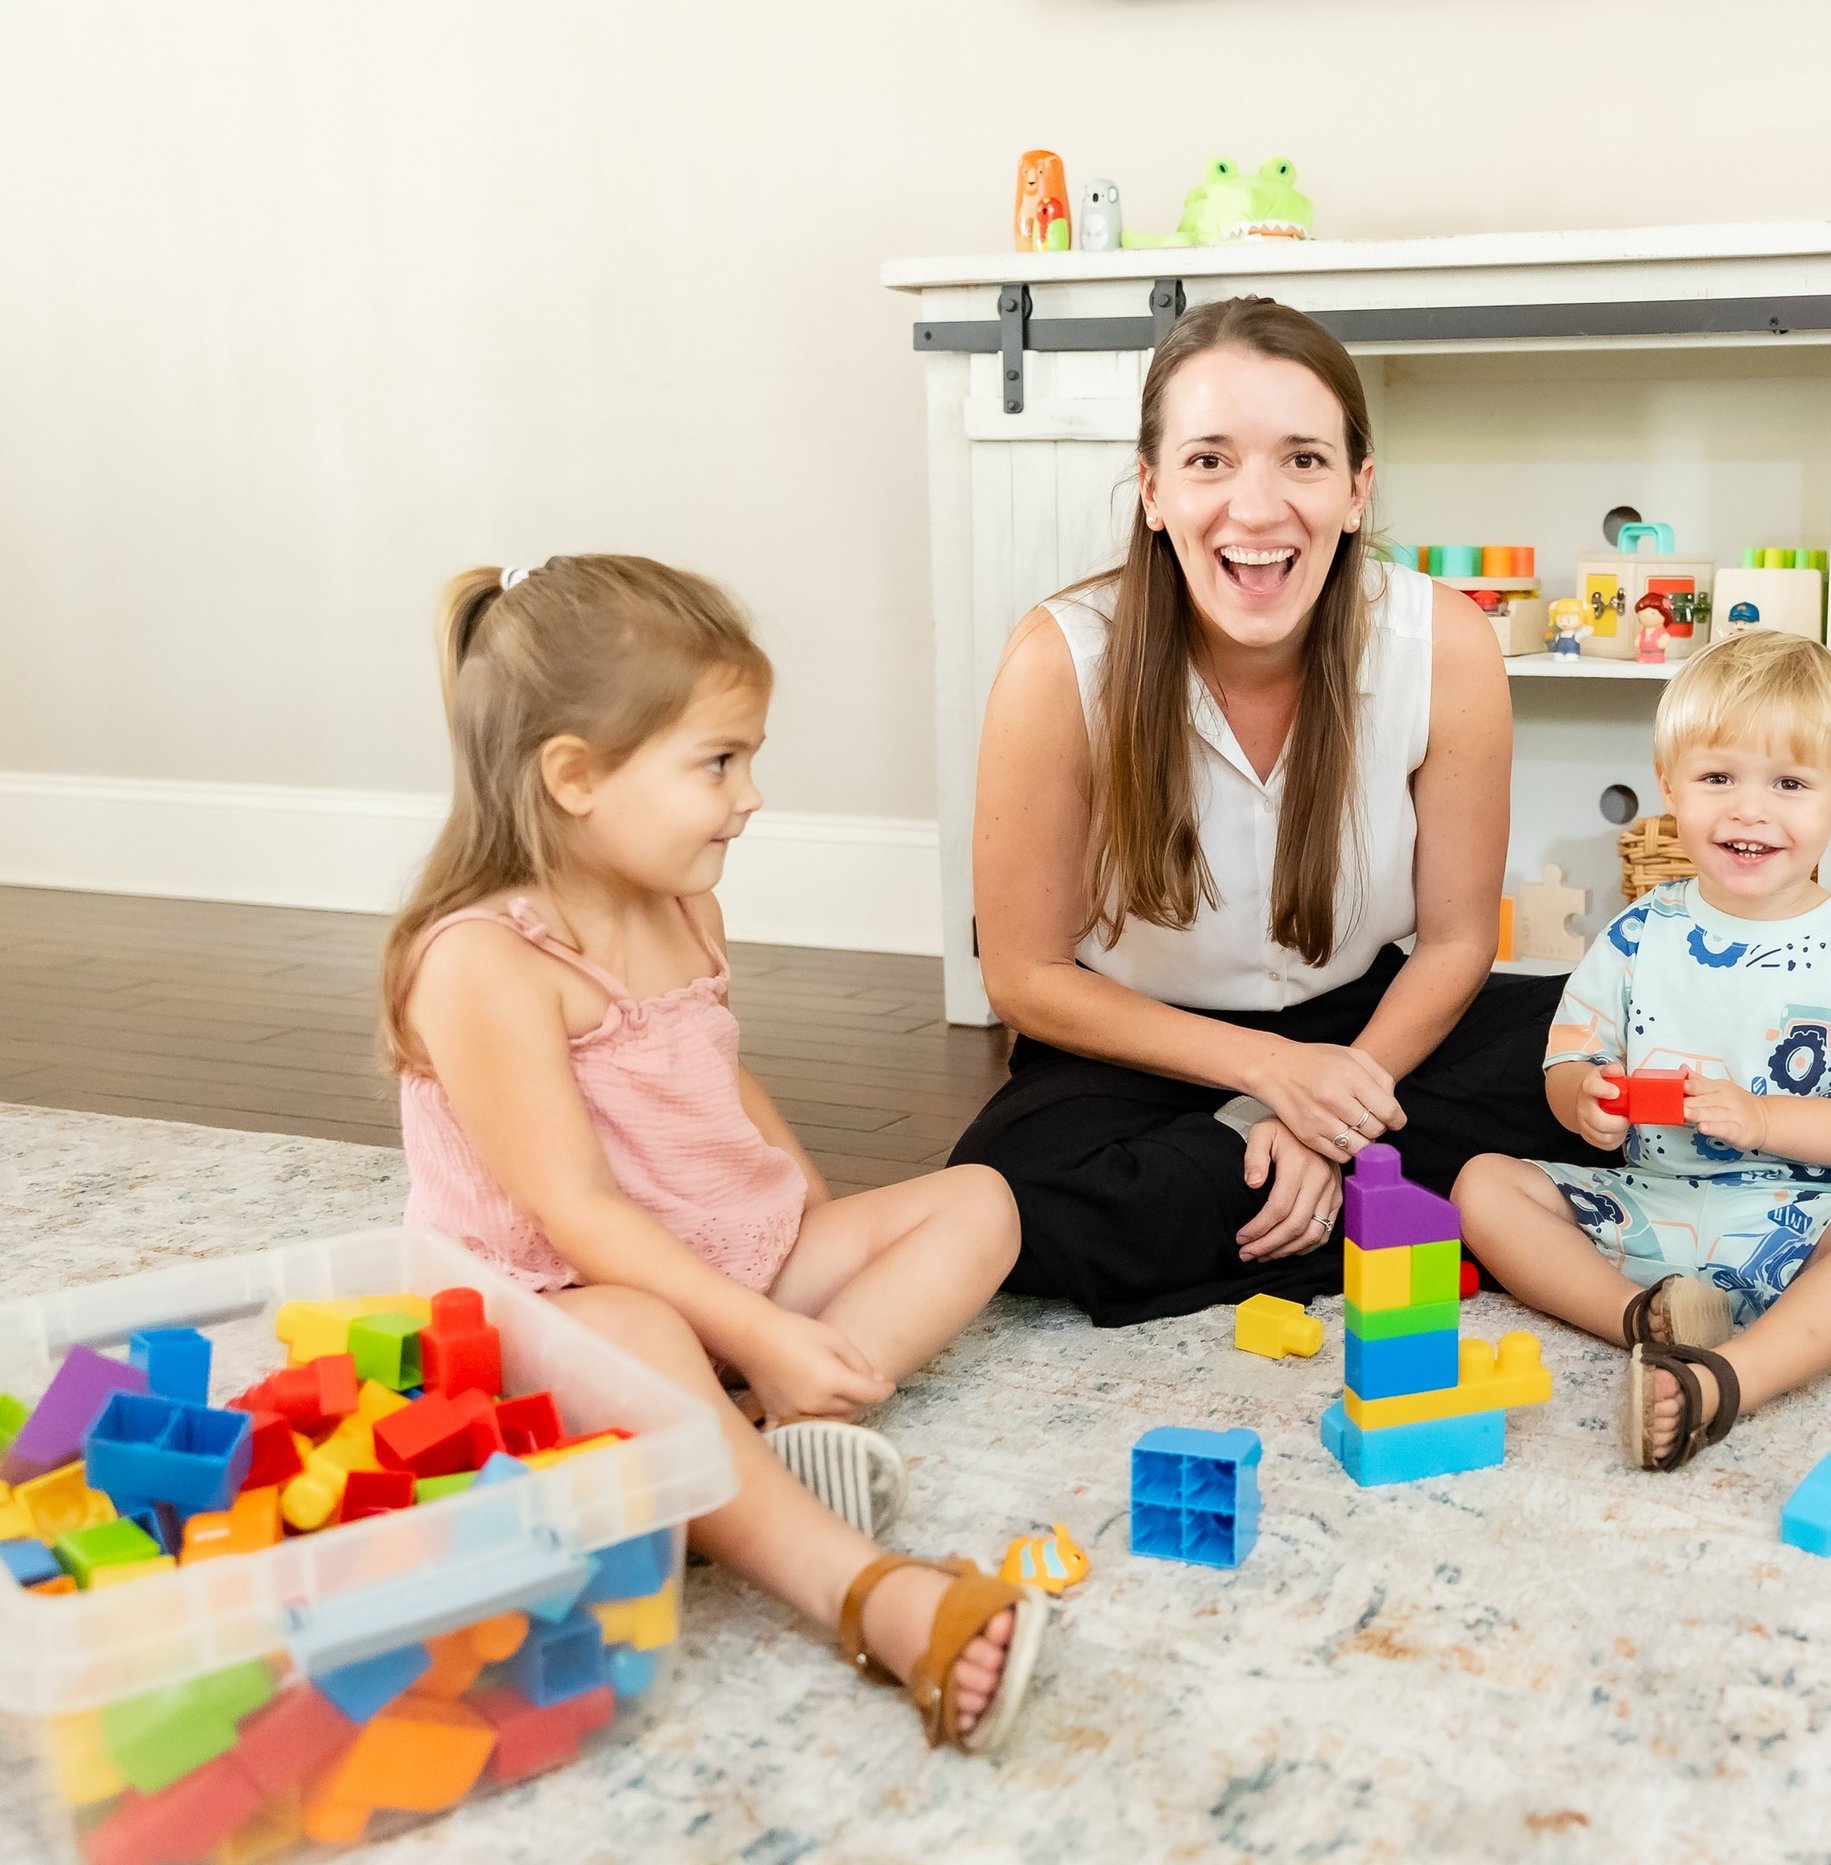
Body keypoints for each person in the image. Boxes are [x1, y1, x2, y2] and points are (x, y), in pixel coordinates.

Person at [384, 555, 1046, 1753]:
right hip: (546, 1309)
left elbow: (717, 1069)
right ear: (575, 775)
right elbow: (578, 1213)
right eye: (718, 761)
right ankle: (869, 1588)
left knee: (982, 1203)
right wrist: (759, 1325)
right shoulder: (482, 960)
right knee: (642, 1332)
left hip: (705, 1272)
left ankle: (752, 1434)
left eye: (748, 757)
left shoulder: (685, 901)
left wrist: (810, 1223)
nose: (749, 797)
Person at [953, 297, 1607, 1326]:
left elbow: (1455, 940)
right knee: (1009, 1194)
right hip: (1143, 1048)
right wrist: (1269, 1077)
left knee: (1617, 1051)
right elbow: (1026, 978)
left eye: (1301, 459)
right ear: (1153, 490)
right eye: (1209, 459)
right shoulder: (1058, 660)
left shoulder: (1446, 643)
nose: (1255, 510)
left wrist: (1320, 1116)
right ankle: (1408, 1204)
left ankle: (1278, 1190)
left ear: (1356, 490)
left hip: (1375, 1031)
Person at [1455, 632, 1831, 1470]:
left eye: (1790, 783)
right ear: (1670, 785)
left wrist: (1762, 1116)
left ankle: (1731, 1379)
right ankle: (1642, 1319)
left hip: (1808, 1224)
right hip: (1655, 1209)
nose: (1749, 810)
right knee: (1481, 1186)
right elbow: (1570, 1057)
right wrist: (1583, 1098)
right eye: (1718, 777)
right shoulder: (1639, 933)